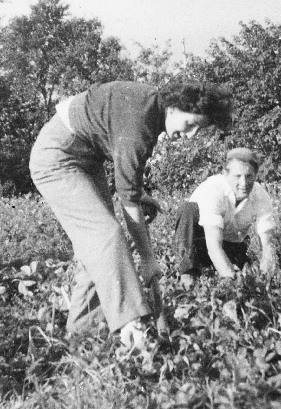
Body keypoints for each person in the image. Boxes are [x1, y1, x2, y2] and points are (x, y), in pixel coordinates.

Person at [29, 81, 232, 351]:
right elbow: (129, 200)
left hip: (87, 160)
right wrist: (148, 259)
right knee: (105, 236)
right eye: (190, 124)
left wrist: (137, 195)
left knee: (97, 251)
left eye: (199, 129)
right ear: (174, 108)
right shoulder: (141, 123)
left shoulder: (152, 113)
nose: (192, 134)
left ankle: (82, 337)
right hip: (57, 157)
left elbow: (129, 182)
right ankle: (131, 325)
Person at [172, 147, 277, 286]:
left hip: (231, 245)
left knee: (251, 276)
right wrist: (232, 280)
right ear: (225, 174)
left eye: (249, 176)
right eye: (237, 176)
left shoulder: (260, 194)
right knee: (188, 209)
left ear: (255, 175)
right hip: (201, 245)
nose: (244, 183)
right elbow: (213, 246)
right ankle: (188, 276)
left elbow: (268, 244)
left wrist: (265, 276)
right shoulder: (213, 189)